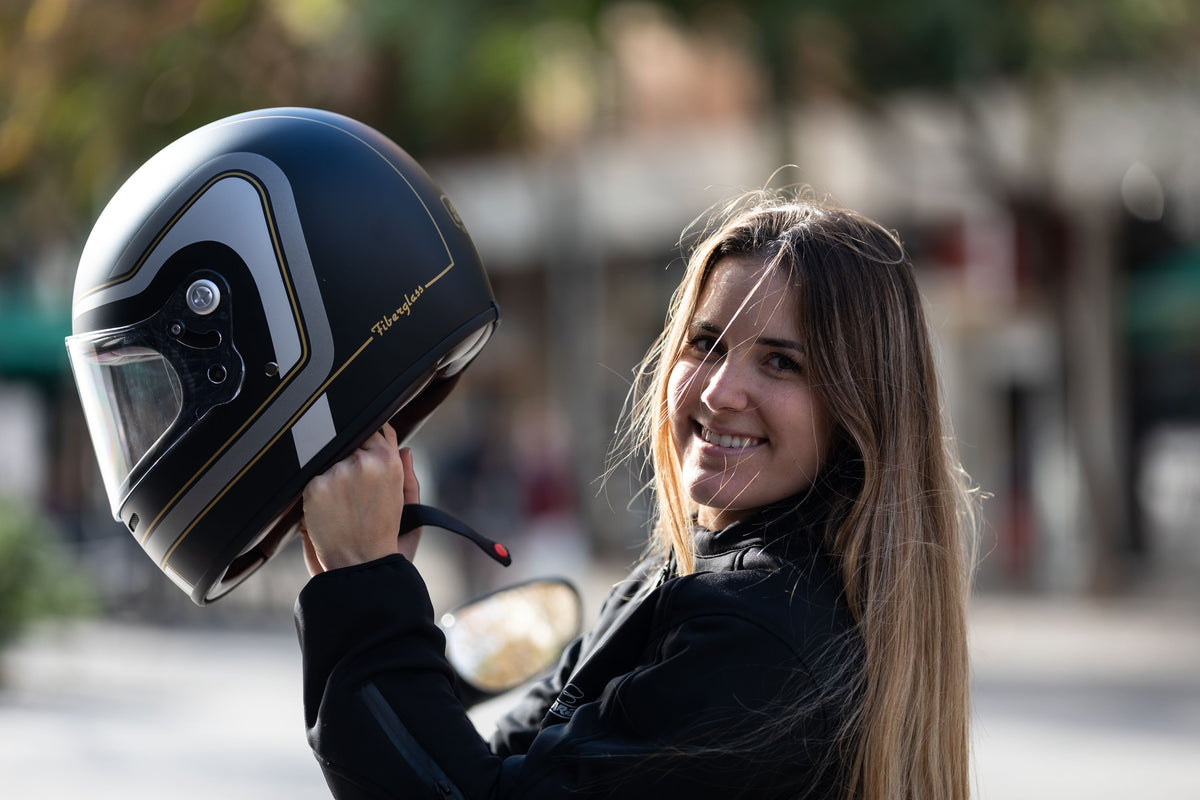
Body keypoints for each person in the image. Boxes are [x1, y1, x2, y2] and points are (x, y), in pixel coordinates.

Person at [295, 186, 978, 800]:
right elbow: (499, 769)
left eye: (781, 362)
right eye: (706, 344)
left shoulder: (757, 631)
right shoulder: (690, 574)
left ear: (860, 408)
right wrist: (362, 587)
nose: (719, 391)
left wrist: (366, 583)